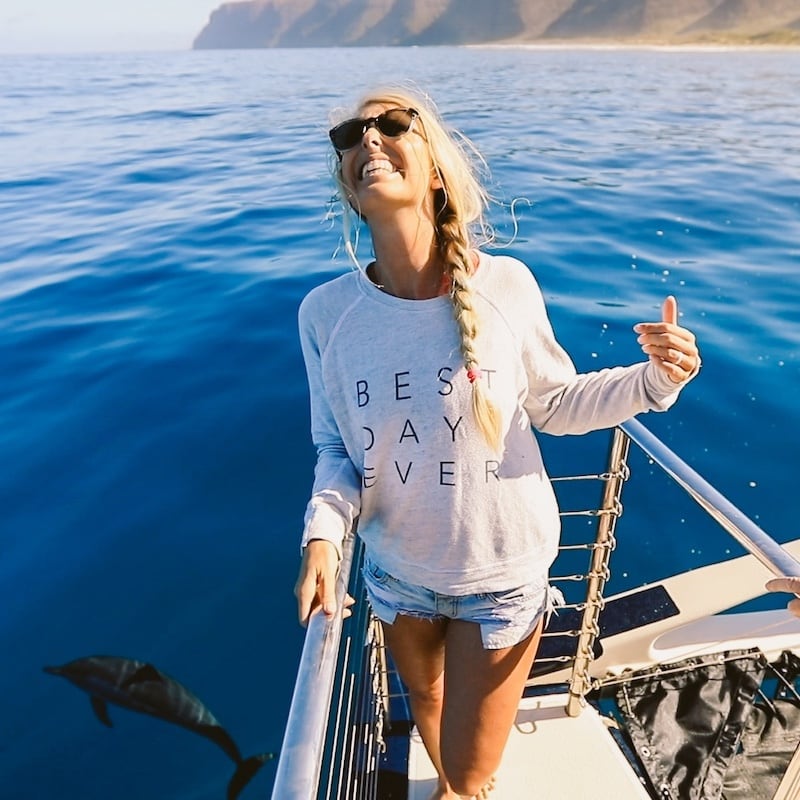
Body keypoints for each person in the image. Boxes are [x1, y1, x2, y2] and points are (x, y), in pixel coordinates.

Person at [293, 86, 701, 800]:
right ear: (349, 191)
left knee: (472, 769)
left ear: (439, 170)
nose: (368, 141)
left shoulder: (506, 286)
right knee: (425, 709)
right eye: (350, 136)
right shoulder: (325, 314)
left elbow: (556, 404)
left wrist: (655, 380)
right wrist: (324, 538)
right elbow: (336, 449)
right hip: (397, 575)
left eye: (392, 124)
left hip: (501, 579)